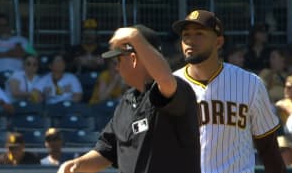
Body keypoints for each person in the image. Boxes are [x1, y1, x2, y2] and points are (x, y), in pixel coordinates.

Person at [57, 25, 201, 173]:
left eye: (118, 60)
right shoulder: (126, 102)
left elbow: (166, 80)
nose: (116, 67)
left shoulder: (174, 89)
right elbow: (106, 152)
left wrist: (134, 37)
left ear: (133, 59)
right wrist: (76, 165)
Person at [172, 9, 286, 173]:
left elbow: (268, 147)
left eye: (199, 34)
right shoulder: (171, 85)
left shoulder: (250, 83)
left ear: (218, 42)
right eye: (186, 35)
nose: (190, 40)